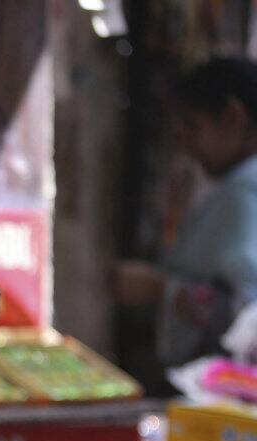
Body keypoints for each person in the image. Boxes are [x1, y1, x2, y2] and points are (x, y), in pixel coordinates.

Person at [116, 58, 257, 367]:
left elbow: (247, 310)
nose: (185, 141)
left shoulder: (244, 191)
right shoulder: (236, 184)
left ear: (233, 118)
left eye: (193, 125)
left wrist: (159, 288)